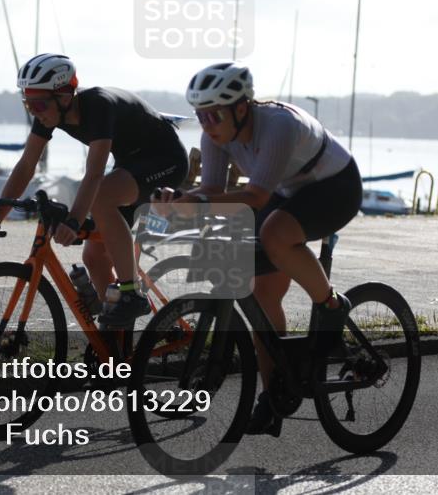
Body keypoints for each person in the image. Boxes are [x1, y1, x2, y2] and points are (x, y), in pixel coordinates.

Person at [155, 61, 363, 436]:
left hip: (336, 187)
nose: (206, 124)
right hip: (288, 191)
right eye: (200, 116)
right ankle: (275, 393)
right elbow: (213, 190)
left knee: (275, 235)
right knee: (262, 294)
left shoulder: (279, 125)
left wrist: (198, 204)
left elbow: (255, 196)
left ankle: (332, 305)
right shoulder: (215, 137)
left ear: (241, 108)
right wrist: (179, 199)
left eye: (214, 115)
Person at [0, 53, 188, 326]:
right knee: (94, 257)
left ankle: (132, 293)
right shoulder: (49, 113)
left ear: (64, 96)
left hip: (165, 160)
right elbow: (26, 165)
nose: (34, 112)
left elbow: (95, 173)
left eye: (38, 104)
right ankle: (115, 337)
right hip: (130, 165)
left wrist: (74, 220)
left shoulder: (98, 105)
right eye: (28, 105)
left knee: (101, 197)